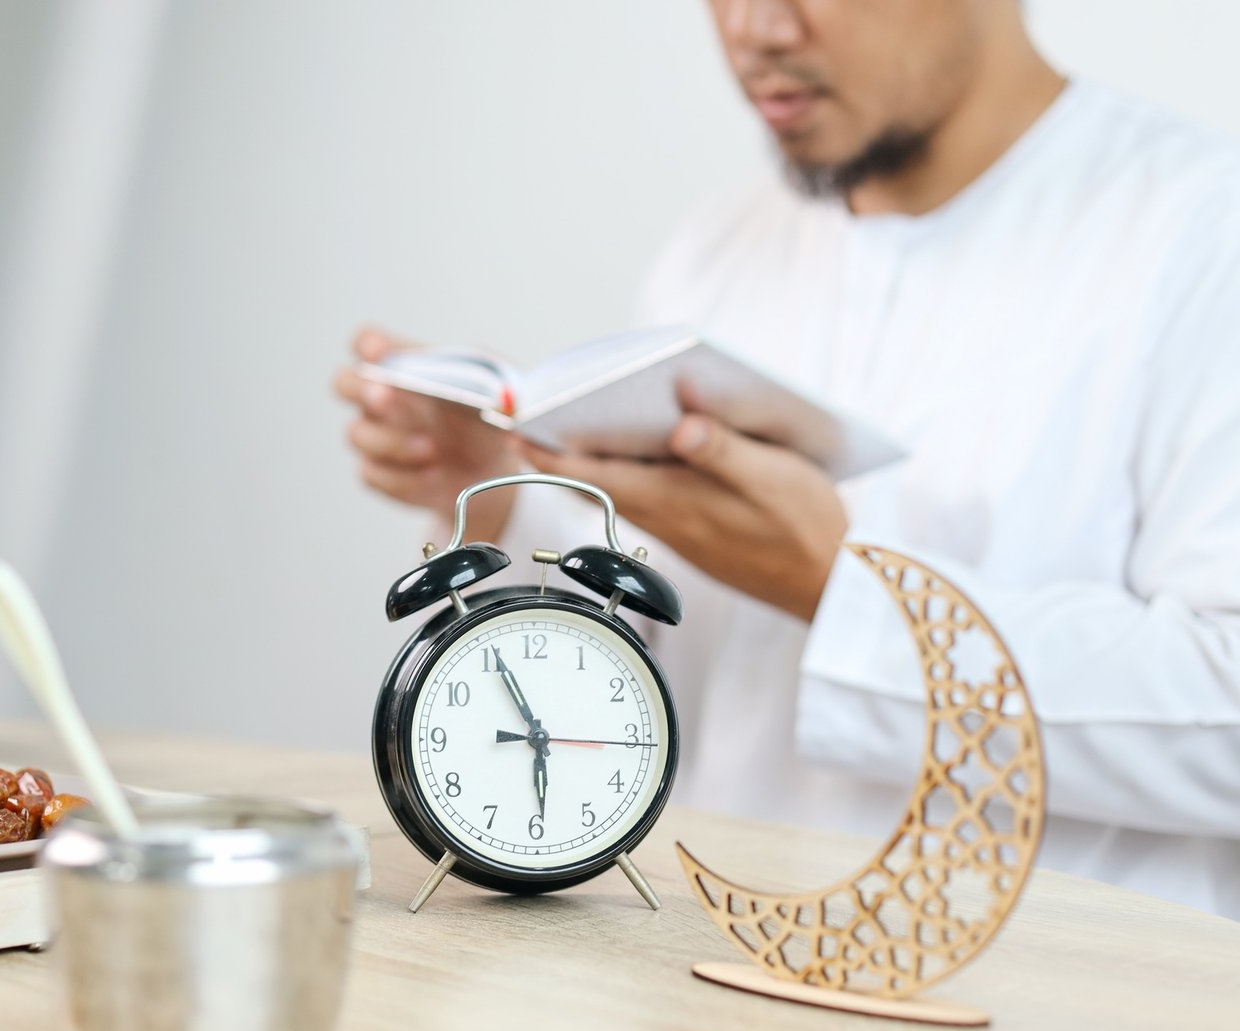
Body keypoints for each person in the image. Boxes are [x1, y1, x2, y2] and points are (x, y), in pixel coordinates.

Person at [334, 0, 1240, 916]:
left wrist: (838, 594)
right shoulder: (718, 249)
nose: (755, 29)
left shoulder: (1207, 229)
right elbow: (635, 682)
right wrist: (500, 497)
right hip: (695, 971)